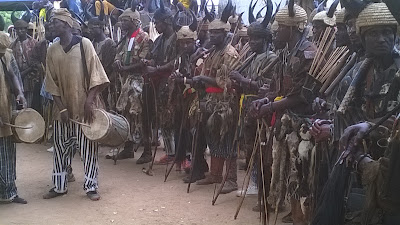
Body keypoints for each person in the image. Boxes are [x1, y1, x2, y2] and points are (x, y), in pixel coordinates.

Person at [312, 3, 400, 225]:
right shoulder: (357, 74)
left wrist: (371, 127)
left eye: (387, 32)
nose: (381, 39)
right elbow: (343, 115)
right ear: (363, 39)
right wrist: (331, 128)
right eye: (373, 34)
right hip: (361, 164)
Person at [250, 1, 316, 223]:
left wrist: (271, 106)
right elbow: (276, 89)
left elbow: (301, 96)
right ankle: (293, 211)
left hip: (305, 122)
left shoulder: (308, 53)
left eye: (281, 26)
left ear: (294, 27)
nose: (276, 30)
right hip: (285, 121)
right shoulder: (285, 53)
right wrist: (264, 100)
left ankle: (302, 217)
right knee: (283, 167)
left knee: (301, 172)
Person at [43, 9, 109, 201]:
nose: (52, 26)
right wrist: (61, 107)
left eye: (55, 22)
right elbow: (51, 83)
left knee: (88, 148)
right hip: (62, 108)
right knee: (60, 147)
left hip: (85, 106)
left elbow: (97, 75)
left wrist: (89, 102)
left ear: (66, 24)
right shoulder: (52, 50)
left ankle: (91, 186)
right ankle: (59, 185)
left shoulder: (84, 44)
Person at [191, 1, 240, 194]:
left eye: (216, 33)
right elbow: (206, 73)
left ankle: (232, 179)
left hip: (225, 103)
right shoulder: (212, 52)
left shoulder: (229, 53)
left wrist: (203, 78)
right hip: (211, 102)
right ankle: (215, 173)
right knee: (214, 139)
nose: (212, 36)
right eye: (211, 32)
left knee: (228, 139)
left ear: (226, 34)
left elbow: (226, 83)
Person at [229, 2, 277, 197]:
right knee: (250, 149)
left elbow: (266, 88)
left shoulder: (271, 57)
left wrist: (243, 80)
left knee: (262, 151)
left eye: (256, 38)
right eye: (250, 38)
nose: (252, 42)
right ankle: (255, 185)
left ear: (265, 39)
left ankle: (267, 191)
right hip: (247, 108)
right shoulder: (251, 56)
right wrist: (236, 82)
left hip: (261, 110)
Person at [111, 4, 151, 162]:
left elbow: (143, 61)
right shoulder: (125, 38)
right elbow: (118, 55)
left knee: (140, 115)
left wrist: (126, 67)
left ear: (134, 21)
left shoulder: (143, 37)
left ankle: (147, 150)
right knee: (125, 113)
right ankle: (128, 148)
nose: (122, 24)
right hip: (126, 80)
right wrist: (117, 63)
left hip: (139, 81)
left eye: (125, 21)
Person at [143, 0, 178, 165]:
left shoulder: (178, 38)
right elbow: (153, 57)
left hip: (174, 83)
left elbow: (175, 62)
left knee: (173, 117)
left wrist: (156, 69)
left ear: (167, 21)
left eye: (157, 22)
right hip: (159, 83)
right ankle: (170, 152)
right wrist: (148, 63)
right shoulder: (158, 40)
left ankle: (179, 153)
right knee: (163, 117)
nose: (155, 26)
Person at [0, 31, 28, 204]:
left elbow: (12, 75)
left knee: (7, 152)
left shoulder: (6, 55)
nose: (3, 53)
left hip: (5, 111)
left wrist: (20, 94)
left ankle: (10, 191)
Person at [88, 8, 117, 111]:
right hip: (94, 83)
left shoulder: (109, 44)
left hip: (105, 83)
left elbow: (108, 67)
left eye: (92, 28)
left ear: (100, 27)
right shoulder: (91, 43)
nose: (90, 31)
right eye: (89, 28)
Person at [10, 13, 38, 110]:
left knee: (29, 107)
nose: (20, 31)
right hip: (16, 81)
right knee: (17, 107)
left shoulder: (35, 44)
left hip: (31, 81)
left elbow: (37, 64)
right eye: (18, 29)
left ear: (26, 29)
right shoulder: (11, 46)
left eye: (22, 29)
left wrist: (26, 72)